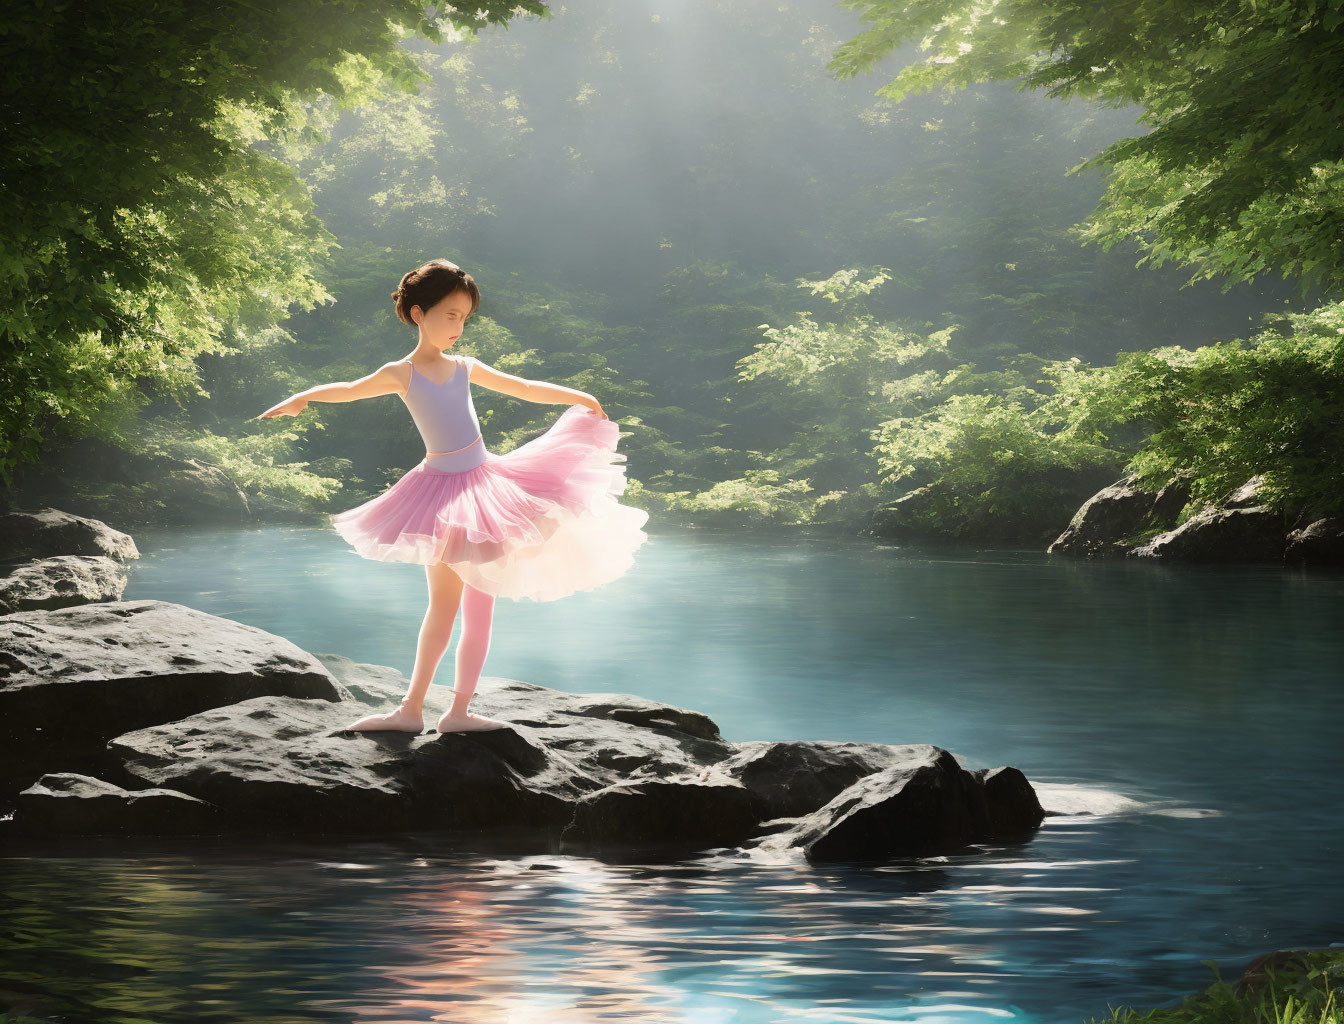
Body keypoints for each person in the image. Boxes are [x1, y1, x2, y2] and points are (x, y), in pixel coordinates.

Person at [256, 258, 650, 735]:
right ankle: (411, 709)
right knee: (442, 608)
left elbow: (523, 387)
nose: (458, 326)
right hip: (440, 494)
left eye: (464, 316)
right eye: (450, 315)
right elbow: (350, 389)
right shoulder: (401, 373)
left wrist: (579, 397)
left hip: (488, 489)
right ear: (419, 314)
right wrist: (303, 397)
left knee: (480, 610)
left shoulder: (465, 367)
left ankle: (458, 711)